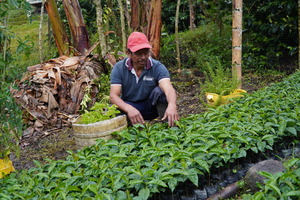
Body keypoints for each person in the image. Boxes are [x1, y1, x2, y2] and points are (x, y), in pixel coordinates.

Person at [110, 32, 179, 127]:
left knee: (160, 92)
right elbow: (113, 95)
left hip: (150, 107)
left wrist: (172, 105)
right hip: (130, 106)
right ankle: (127, 131)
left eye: (146, 53)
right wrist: (129, 109)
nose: (143, 57)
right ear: (128, 53)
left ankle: (169, 126)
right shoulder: (119, 68)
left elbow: (168, 89)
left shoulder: (157, 67)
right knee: (113, 108)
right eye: (138, 54)